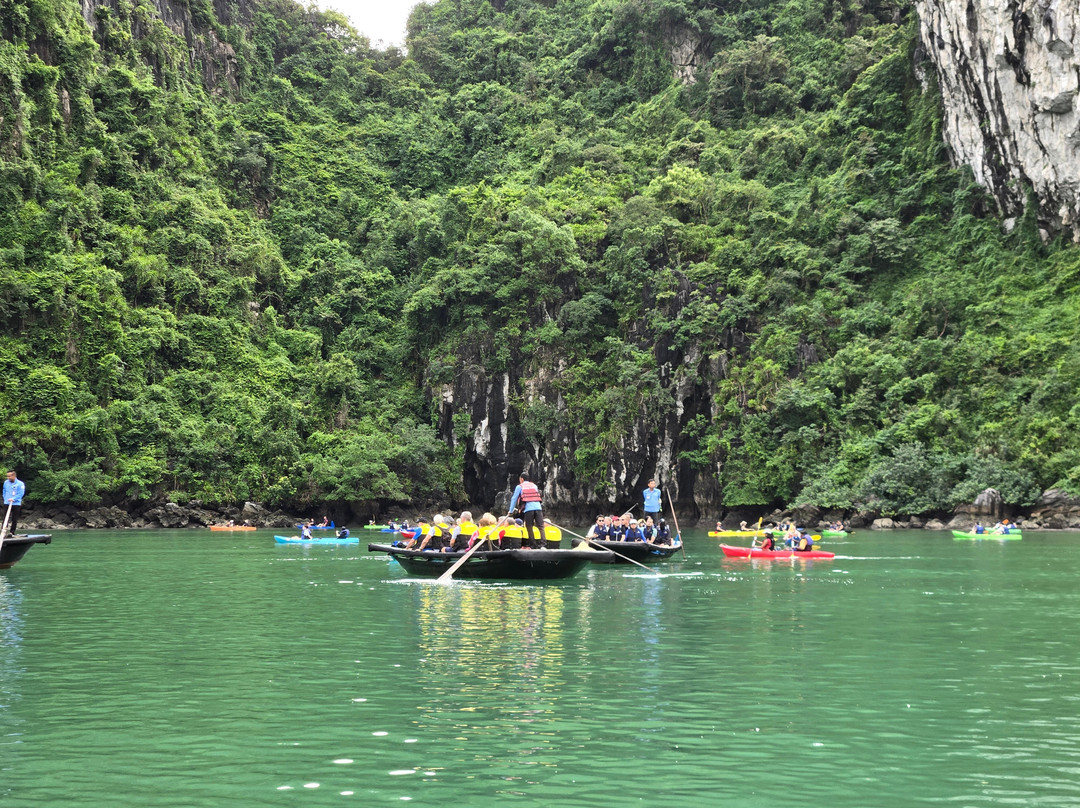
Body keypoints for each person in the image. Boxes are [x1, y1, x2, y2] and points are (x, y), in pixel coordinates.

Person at [509, 472, 545, 549]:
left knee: (529, 526)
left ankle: (533, 545)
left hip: (529, 509)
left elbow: (514, 498)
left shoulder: (519, 486)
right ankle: (543, 544)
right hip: (538, 508)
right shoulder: (534, 485)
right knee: (541, 526)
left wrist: (510, 511)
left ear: (521, 479)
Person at [3, 470, 25, 536]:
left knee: (14, 518)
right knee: (5, 517)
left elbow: (21, 493)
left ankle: (12, 532)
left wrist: (14, 499)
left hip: (16, 504)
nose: (8, 478)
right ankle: (4, 531)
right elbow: (4, 490)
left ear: (14, 476)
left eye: (9, 476)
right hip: (7, 502)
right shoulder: (6, 482)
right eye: (7, 476)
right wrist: (5, 498)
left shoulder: (20, 484)